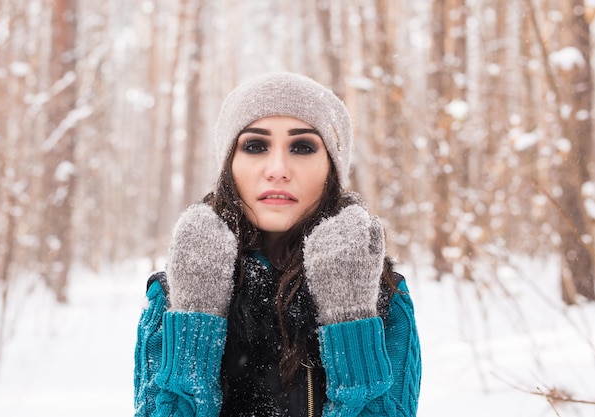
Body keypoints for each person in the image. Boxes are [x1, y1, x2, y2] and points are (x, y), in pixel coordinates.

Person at [134, 72, 422, 417]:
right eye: (255, 146)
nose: (278, 169)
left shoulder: (382, 296)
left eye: (302, 147)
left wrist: (350, 317)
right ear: (230, 165)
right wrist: (197, 313)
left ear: (332, 168)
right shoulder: (173, 296)